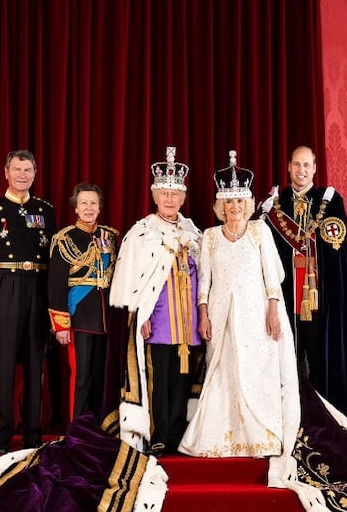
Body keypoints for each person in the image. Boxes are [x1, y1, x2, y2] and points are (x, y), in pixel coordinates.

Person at [179, 151, 299, 459]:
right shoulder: (210, 236)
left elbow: (273, 276)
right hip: (220, 315)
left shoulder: (260, 231)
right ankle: (222, 438)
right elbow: (203, 281)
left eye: (240, 202)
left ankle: (260, 437)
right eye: (229, 202)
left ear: (248, 203)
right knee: (224, 372)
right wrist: (203, 315)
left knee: (257, 370)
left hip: (256, 314)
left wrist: (273, 309)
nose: (235, 208)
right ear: (221, 205)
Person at [262, 145, 347, 425]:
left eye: (307, 165)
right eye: (296, 165)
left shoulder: (329, 201)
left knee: (321, 365)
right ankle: (290, 423)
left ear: (315, 168)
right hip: (286, 300)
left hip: (320, 300)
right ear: (288, 167)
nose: (301, 171)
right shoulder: (275, 207)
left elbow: (339, 252)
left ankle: (323, 425)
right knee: (288, 365)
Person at [110, 146, 202, 457]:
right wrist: (141, 314)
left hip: (189, 323)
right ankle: (158, 434)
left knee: (183, 379)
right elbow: (133, 280)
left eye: (175, 194)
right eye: (164, 193)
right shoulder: (142, 233)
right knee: (158, 379)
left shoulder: (194, 233)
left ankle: (178, 433)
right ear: (154, 195)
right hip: (159, 319)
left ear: (183, 198)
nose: (169, 199)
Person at [0, 149, 56, 453]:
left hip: (37, 285)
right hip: (4, 286)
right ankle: (3, 435)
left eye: (28, 170)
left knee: (35, 361)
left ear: (34, 174)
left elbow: (52, 259)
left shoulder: (45, 210)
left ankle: (33, 433)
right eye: (17, 169)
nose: (22, 175)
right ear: (6, 172)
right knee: (3, 362)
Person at [48, 183, 118, 420]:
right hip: (79, 317)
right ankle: (77, 429)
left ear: (99, 208)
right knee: (82, 377)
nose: (89, 208)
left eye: (93, 203)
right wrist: (61, 324)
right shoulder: (64, 239)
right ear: (75, 208)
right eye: (84, 203)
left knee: (101, 377)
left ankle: (98, 426)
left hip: (105, 318)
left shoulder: (109, 237)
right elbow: (56, 284)